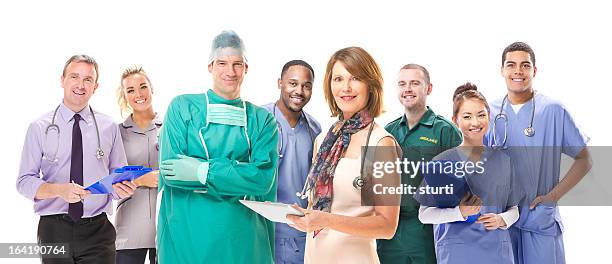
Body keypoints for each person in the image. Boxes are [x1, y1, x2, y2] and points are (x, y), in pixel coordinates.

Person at [157, 30, 279, 263]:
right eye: (222, 63)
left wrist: (202, 171)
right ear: (210, 66)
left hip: (244, 241)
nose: (230, 71)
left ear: (246, 68)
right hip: (188, 238)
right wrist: (239, 173)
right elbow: (172, 173)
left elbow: (262, 180)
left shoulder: (262, 120)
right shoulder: (182, 108)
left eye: (237, 64)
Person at [16, 55, 136, 263]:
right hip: (54, 230)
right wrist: (59, 190)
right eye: (74, 77)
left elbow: (119, 176)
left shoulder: (108, 127)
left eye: (88, 79)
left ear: (95, 86)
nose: (81, 85)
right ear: (62, 80)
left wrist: (122, 188)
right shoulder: (39, 127)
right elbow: (24, 181)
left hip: (98, 231)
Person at [287, 46, 401, 264]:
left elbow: (387, 226)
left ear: (371, 84)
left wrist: (327, 220)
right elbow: (319, 207)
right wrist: (304, 216)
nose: (345, 87)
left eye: (355, 78)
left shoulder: (380, 143)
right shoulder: (325, 140)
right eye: (338, 79)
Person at [484, 42, 592, 264]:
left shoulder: (553, 110)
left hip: (540, 221)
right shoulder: (488, 112)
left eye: (525, 65)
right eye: (511, 65)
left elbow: (585, 159)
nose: (518, 71)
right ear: (501, 70)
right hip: (503, 221)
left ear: (534, 70)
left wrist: (552, 197)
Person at [416, 82, 520, 264]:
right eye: (467, 116)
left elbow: (514, 209)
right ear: (455, 120)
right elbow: (424, 215)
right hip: (457, 253)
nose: (475, 122)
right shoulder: (441, 163)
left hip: (497, 252)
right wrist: (460, 212)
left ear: (489, 116)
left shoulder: (503, 161)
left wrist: (501, 220)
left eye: (481, 115)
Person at [377, 64, 462, 264]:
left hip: (428, 231)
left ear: (428, 88)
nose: (407, 89)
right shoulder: (388, 131)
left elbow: (462, 182)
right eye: (402, 84)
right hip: (391, 233)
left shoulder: (445, 131)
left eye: (415, 83)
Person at [262, 60, 322, 264]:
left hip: (299, 231)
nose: (299, 91)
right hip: (264, 227)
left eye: (306, 86)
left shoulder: (315, 129)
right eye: (293, 83)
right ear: (280, 83)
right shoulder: (260, 119)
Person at [115, 66, 161, 264]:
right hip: (130, 226)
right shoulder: (116, 133)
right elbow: (111, 176)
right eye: (130, 90)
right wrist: (143, 179)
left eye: (143, 87)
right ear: (124, 97)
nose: (138, 94)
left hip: (165, 224)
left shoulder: (170, 127)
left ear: (152, 89)